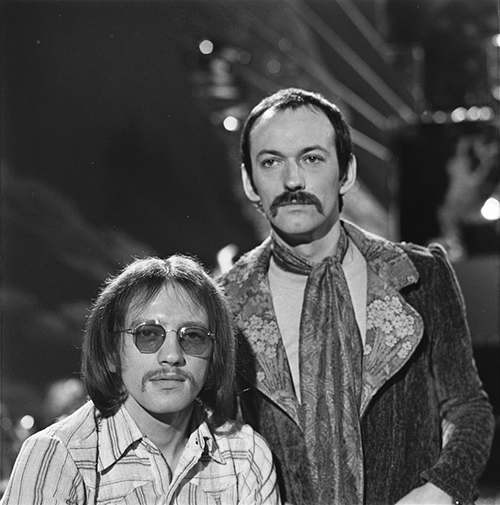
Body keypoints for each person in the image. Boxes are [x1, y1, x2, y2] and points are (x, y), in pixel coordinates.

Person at [219, 88, 495, 505]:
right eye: (271, 162)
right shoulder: (225, 302)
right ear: (249, 181)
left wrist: (442, 488)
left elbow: (467, 406)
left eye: (312, 159)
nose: (292, 181)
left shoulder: (420, 277)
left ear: (346, 172)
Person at [1, 255, 279, 505]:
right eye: (148, 334)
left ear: (214, 355)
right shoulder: (57, 456)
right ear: (111, 352)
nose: (172, 356)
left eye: (193, 336)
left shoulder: (245, 456)